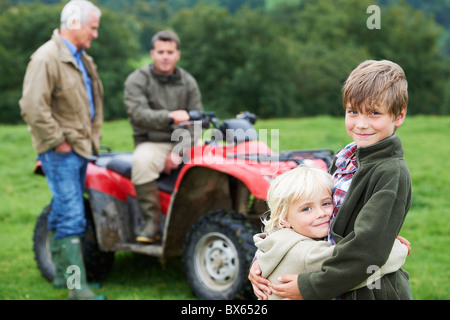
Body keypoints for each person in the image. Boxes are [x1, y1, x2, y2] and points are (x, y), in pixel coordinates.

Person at [249, 59, 413, 300]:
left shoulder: (390, 172)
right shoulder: (346, 157)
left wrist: (310, 287)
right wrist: (263, 260)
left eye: (374, 113)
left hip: (368, 292)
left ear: (398, 116)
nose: (361, 124)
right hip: (330, 279)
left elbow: (367, 251)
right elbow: (301, 217)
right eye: (353, 112)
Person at [19, 0, 105, 300]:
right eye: (92, 28)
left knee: (63, 211)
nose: (95, 34)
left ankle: (61, 276)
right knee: (71, 215)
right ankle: (75, 289)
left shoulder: (83, 59)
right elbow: (32, 107)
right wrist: (58, 141)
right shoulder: (45, 58)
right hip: (61, 152)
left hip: (81, 150)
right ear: (74, 23)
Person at [253, 166, 409, 300]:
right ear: (284, 219)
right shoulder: (306, 253)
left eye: (326, 203)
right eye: (306, 208)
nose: (321, 213)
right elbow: (359, 267)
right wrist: (396, 246)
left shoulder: (277, 240)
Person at [124, 30, 203, 244]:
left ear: (177, 54)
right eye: (160, 52)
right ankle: (152, 223)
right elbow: (138, 114)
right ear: (152, 53)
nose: (165, 56)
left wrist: (179, 151)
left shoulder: (188, 82)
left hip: (184, 140)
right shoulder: (137, 80)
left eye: (170, 51)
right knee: (142, 162)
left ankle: (204, 216)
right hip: (152, 140)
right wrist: (169, 117)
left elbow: (197, 121)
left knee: (211, 159)